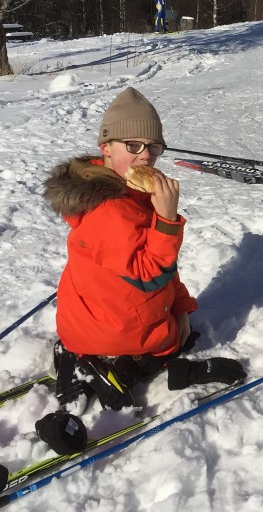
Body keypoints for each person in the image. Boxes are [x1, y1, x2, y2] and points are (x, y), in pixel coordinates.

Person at [42, 87, 245, 415]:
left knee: (174, 336)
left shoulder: (128, 190)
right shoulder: (109, 209)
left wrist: (180, 308)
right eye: (133, 145)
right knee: (163, 347)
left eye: (153, 147)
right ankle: (108, 365)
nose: (145, 156)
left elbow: (163, 269)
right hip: (104, 328)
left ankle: (109, 359)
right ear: (105, 147)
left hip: (97, 314)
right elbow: (150, 275)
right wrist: (166, 220)